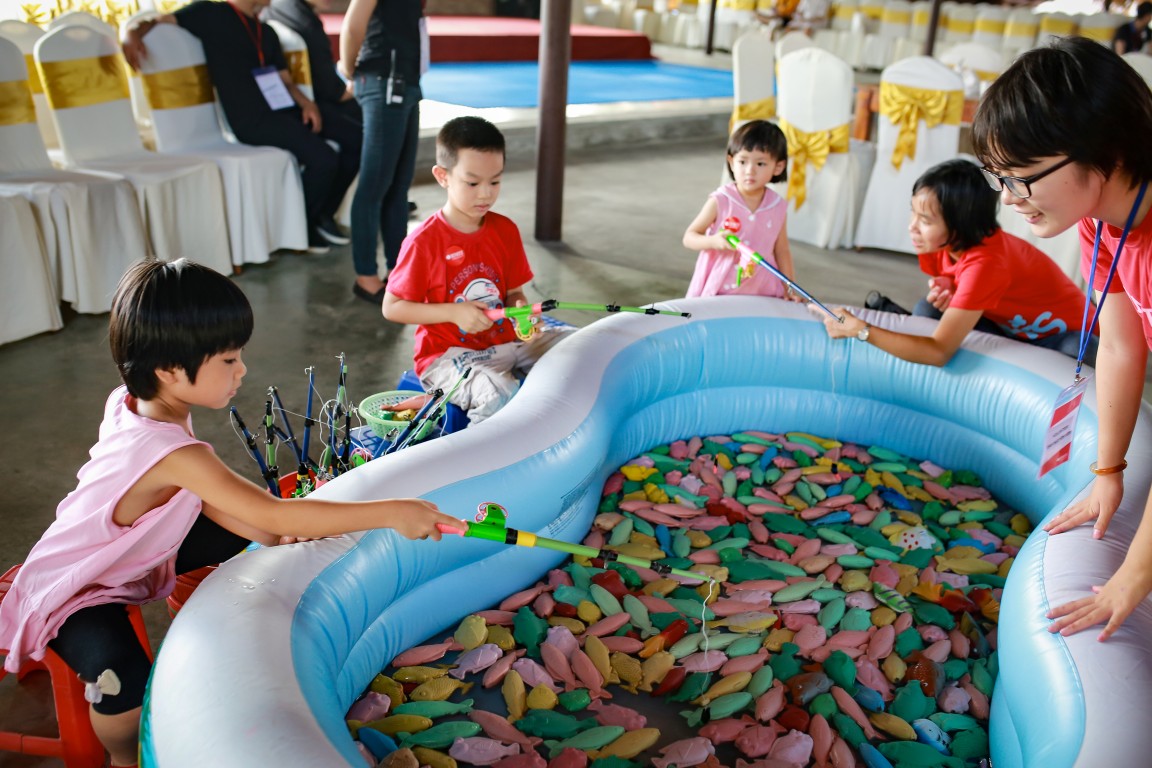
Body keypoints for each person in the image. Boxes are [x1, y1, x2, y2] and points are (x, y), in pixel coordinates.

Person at [0, 260, 463, 768]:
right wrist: (393, 511)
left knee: (258, 526)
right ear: (171, 371)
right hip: (79, 586)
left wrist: (271, 527)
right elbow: (277, 513)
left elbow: (243, 512)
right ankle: (122, 758)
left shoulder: (133, 401)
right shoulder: (180, 455)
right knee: (122, 682)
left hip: (127, 551)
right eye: (228, 359)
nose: (242, 370)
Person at [972, 36, 1152, 641]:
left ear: (1102, 148)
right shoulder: (1105, 223)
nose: (1008, 198)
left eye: (1020, 177)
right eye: (999, 177)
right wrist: (1109, 469)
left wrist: (1134, 574)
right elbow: (1123, 346)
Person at [121, 0, 360, 253]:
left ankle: (322, 213)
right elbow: (156, 21)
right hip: (251, 119)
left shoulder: (265, 30)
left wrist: (306, 104)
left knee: (358, 139)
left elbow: (284, 80)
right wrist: (130, 35)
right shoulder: (211, 13)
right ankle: (305, 224)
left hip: (284, 109)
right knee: (324, 158)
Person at [381, 117, 573, 424]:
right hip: (449, 356)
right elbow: (392, 308)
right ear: (442, 176)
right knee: (499, 395)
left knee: (580, 348)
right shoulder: (423, 242)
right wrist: (453, 312)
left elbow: (513, 293)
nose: (485, 194)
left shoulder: (505, 230)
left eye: (495, 181)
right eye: (472, 183)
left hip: (508, 343)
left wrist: (522, 312)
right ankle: (483, 463)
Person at [822, 159, 1097, 367]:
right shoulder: (938, 243)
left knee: (1079, 349)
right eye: (913, 214)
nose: (912, 228)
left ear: (959, 225)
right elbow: (953, 275)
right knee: (926, 310)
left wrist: (862, 331)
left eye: (926, 221)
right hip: (1005, 328)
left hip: (1063, 337)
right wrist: (949, 284)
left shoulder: (987, 263)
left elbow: (939, 352)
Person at [340, 0, 423, 304]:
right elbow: (353, 25)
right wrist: (350, 70)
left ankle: (397, 271)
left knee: (398, 187)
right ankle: (365, 276)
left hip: (406, 83)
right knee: (374, 188)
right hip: (384, 80)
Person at [682, 120, 799, 300]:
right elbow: (689, 237)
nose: (750, 171)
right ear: (731, 161)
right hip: (721, 286)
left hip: (762, 287)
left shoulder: (777, 206)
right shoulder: (721, 200)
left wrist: (789, 287)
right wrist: (713, 241)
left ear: (778, 167)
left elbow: (782, 250)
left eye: (760, 164)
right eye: (743, 161)